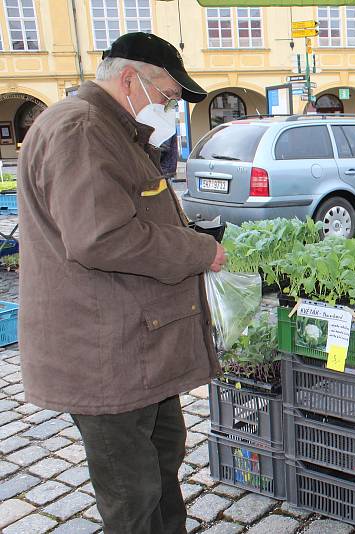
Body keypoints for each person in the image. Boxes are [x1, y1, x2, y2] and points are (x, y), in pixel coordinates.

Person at [17, 32, 226, 533]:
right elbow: (101, 238)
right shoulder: (83, 129)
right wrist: (199, 250)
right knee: (133, 496)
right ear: (131, 79)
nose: (172, 107)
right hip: (105, 356)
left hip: (137, 348)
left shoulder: (110, 128)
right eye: (170, 95)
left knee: (161, 466)